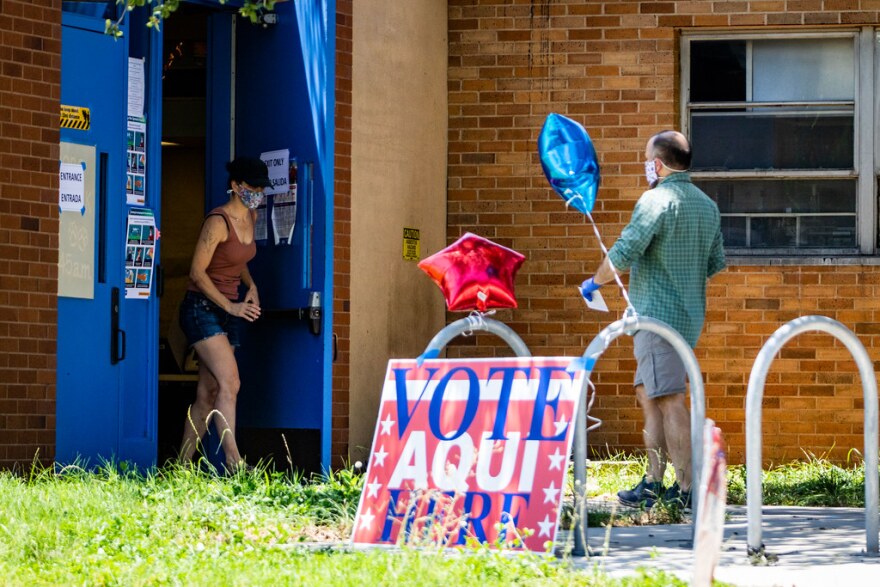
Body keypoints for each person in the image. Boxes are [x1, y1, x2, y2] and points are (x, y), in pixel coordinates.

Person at [581, 130, 725, 509]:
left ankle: (688, 488)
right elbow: (714, 264)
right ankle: (653, 480)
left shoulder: (655, 200)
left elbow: (626, 249)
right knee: (650, 395)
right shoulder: (708, 206)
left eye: (647, 159)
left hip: (656, 317)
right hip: (686, 316)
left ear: (658, 164)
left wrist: (594, 282)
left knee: (670, 398)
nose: (647, 166)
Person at [178, 156, 271, 472]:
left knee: (209, 393)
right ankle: (235, 463)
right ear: (235, 186)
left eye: (261, 187)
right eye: (251, 186)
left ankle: (179, 468)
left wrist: (251, 284)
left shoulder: (253, 217)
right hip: (201, 309)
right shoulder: (217, 221)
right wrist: (231, 305)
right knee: (231, 382)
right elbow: (197, 271)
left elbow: (236, 259)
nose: (257, 192)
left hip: (228, 311)